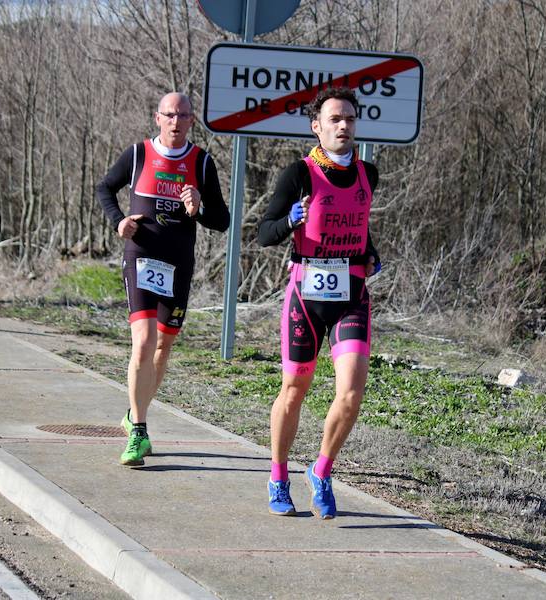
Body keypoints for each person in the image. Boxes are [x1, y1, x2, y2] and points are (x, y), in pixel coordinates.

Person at [257, 87, 381, 519]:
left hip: (351, 294)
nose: (343, 125)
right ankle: (277, 475)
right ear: (318, 127)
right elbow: (264, 232)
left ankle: (322, 470)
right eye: (334, 119)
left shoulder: (369, 173)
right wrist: (292, 218)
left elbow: (358, 225)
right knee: (294, 391)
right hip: (306, 295)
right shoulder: (299, 174)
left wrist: (371, 252)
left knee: (351, 392)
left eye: (349, 118)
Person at [96, 92, 229, 466]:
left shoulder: (202, 163)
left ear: (191, 120)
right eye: (169, 115)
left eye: (182, 115)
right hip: (141, 256)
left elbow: (223, 221)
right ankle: (139, 429)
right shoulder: (137, 154)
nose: (175, 121)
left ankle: (132, 412)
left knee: (162, 348)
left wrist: (197, 208)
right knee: (143, 341)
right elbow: (105, 187)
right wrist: (117, 221)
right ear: (157, 118)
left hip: (178, 263)